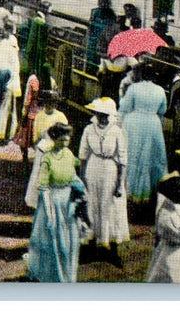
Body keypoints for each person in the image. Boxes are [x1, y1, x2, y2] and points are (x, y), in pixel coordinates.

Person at [26, 122, 89, 283]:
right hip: (53, 201)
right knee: (53, 242)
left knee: (69, 243)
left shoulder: (68, 154)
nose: (66, 139)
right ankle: (51, 276)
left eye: (68, 136)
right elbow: (44, 187)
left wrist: (82, 191)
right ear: (55, 138)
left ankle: (67, 276)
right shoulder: (47, 157)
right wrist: (49, 212)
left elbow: (73, 175)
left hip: (68, 202)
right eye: (63, 137)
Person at [78, 98, 129, 262]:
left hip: (109, 169)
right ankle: (89, 239)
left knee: (107, 204)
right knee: (91, 202)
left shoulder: (117, 131)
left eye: (105, 115)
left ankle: (105, 243)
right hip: (93, 167)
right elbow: (83, 155)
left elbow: (122, 159)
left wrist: (120, 183)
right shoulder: (88, 129)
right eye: (99, 114)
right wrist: (81, 178)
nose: (102, 118)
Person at [119, 66, 168, 205]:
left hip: (134, 122)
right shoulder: (160, 90)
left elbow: (125, 107)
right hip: (153, 124)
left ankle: (128, 189)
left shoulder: (134, 88)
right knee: (149, 156)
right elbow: (162, 109)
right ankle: (146, 193)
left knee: (133, 153)